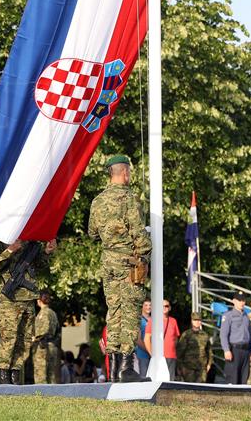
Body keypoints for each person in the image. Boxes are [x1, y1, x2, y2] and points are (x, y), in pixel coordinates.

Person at [88, 154, 150, 383]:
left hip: (109, 264)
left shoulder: (98, 201)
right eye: (129, 172)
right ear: (124, 172)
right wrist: (146, 254)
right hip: (128, 264)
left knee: (113, 313)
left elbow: (93, 233)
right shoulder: (129, 199)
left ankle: (114, 369)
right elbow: (138, 233)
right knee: (131, 314)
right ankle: (126, 368)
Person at [0, 237, 55, 385]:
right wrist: (10, 250)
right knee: (9, 337)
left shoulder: (32, 238)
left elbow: (39, 265)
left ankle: (15, 373)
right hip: (9, 298)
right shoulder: (0, 236)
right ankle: (3, 375)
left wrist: (46, 252)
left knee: (24, 339)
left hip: (28, 297)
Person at [220, 291, 251, 384]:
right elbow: (223, 334)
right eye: (239, 300)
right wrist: (226, 350)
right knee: (233, 378)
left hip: (245, 351)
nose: (242, 303)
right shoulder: (228, 316)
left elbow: (250, 335)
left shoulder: (246, 316)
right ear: (234, 301)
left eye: (243, 300)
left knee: (244, 378)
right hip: (234, 350)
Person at [144, 299, 180, 380]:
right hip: (158, 356)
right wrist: (152, 354)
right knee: (157, 380)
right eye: (162, 306)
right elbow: (146, 339)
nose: (164, 308)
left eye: (166, 306)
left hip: (171, 356)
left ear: (169, 308)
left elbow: (176, 338)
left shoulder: (173, 321)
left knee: (170, 381)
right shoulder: (152, 320)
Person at [32, 291, 60, 384]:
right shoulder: (53, 313)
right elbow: (57, 330)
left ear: (39, 300)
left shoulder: (43, 313)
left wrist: (34, 338)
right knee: (51, 375)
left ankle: (41, 396)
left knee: (41, 375)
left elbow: (44, 330)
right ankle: (52, 396)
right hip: (52, 345)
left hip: (43, 347)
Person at [176, 312, 212, 383]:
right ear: (191, 321)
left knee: (201, 389)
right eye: (195, 320)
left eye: (199, 320)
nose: (197, 322)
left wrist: (209, 364)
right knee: (190, 389)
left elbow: (209, 351)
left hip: (202, 367)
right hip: (188, 368)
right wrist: (180, 367)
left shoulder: (205, 335)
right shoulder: (186, 335)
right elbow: (180, 352)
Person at [136, 300, 151, 376]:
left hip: (152, 355)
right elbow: (137, 340)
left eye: (150, 305)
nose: (148, 307)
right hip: (142, 355)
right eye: (146, 305)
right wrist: (149, 350)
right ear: (142, 307)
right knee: (143, 378)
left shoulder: (154, 319)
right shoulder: (138, 320)